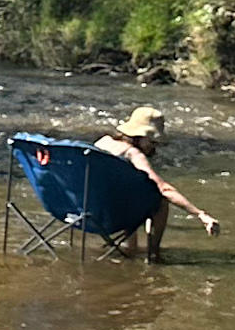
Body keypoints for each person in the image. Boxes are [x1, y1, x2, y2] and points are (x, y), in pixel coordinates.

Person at [93, 104, 220, 260]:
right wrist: (200, 214)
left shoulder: (101, 143)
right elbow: (164, 189)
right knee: (159, 201)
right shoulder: (132, 154)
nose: (155, 148)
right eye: (153, 142)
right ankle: (153, 255)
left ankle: (128, 250)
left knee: (127, 193)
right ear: (141, 137)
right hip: (114, 215)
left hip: (85, 210)